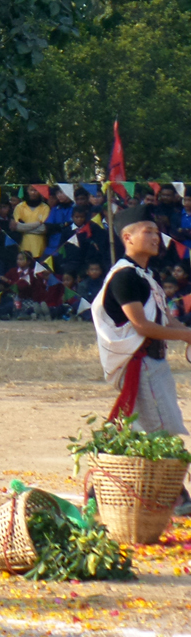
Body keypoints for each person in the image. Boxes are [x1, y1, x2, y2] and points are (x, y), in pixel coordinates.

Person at [93, 204, 191, 515]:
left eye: (155, 231)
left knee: (137, 432)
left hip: (151, 363)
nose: (155, 237)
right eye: (147, 231)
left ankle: (100, 490)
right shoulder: (125, 277)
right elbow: (142, 326)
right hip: (141, 363)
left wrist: (185, 330)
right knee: (162, 430)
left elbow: (164, 320)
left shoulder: (145, 275)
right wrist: (187, 337)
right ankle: (179, 498)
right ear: (127, 237)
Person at [11, 187, 50, 259]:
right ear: (27, 191)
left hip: (40, 248)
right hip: (23, 248)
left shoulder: (45, 208)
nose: (33, 193)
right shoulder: (20, 207)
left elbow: (44, 229)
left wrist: (24, 228)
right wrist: (38, 224)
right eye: (31, 190)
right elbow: (17, 227)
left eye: (35, 190)